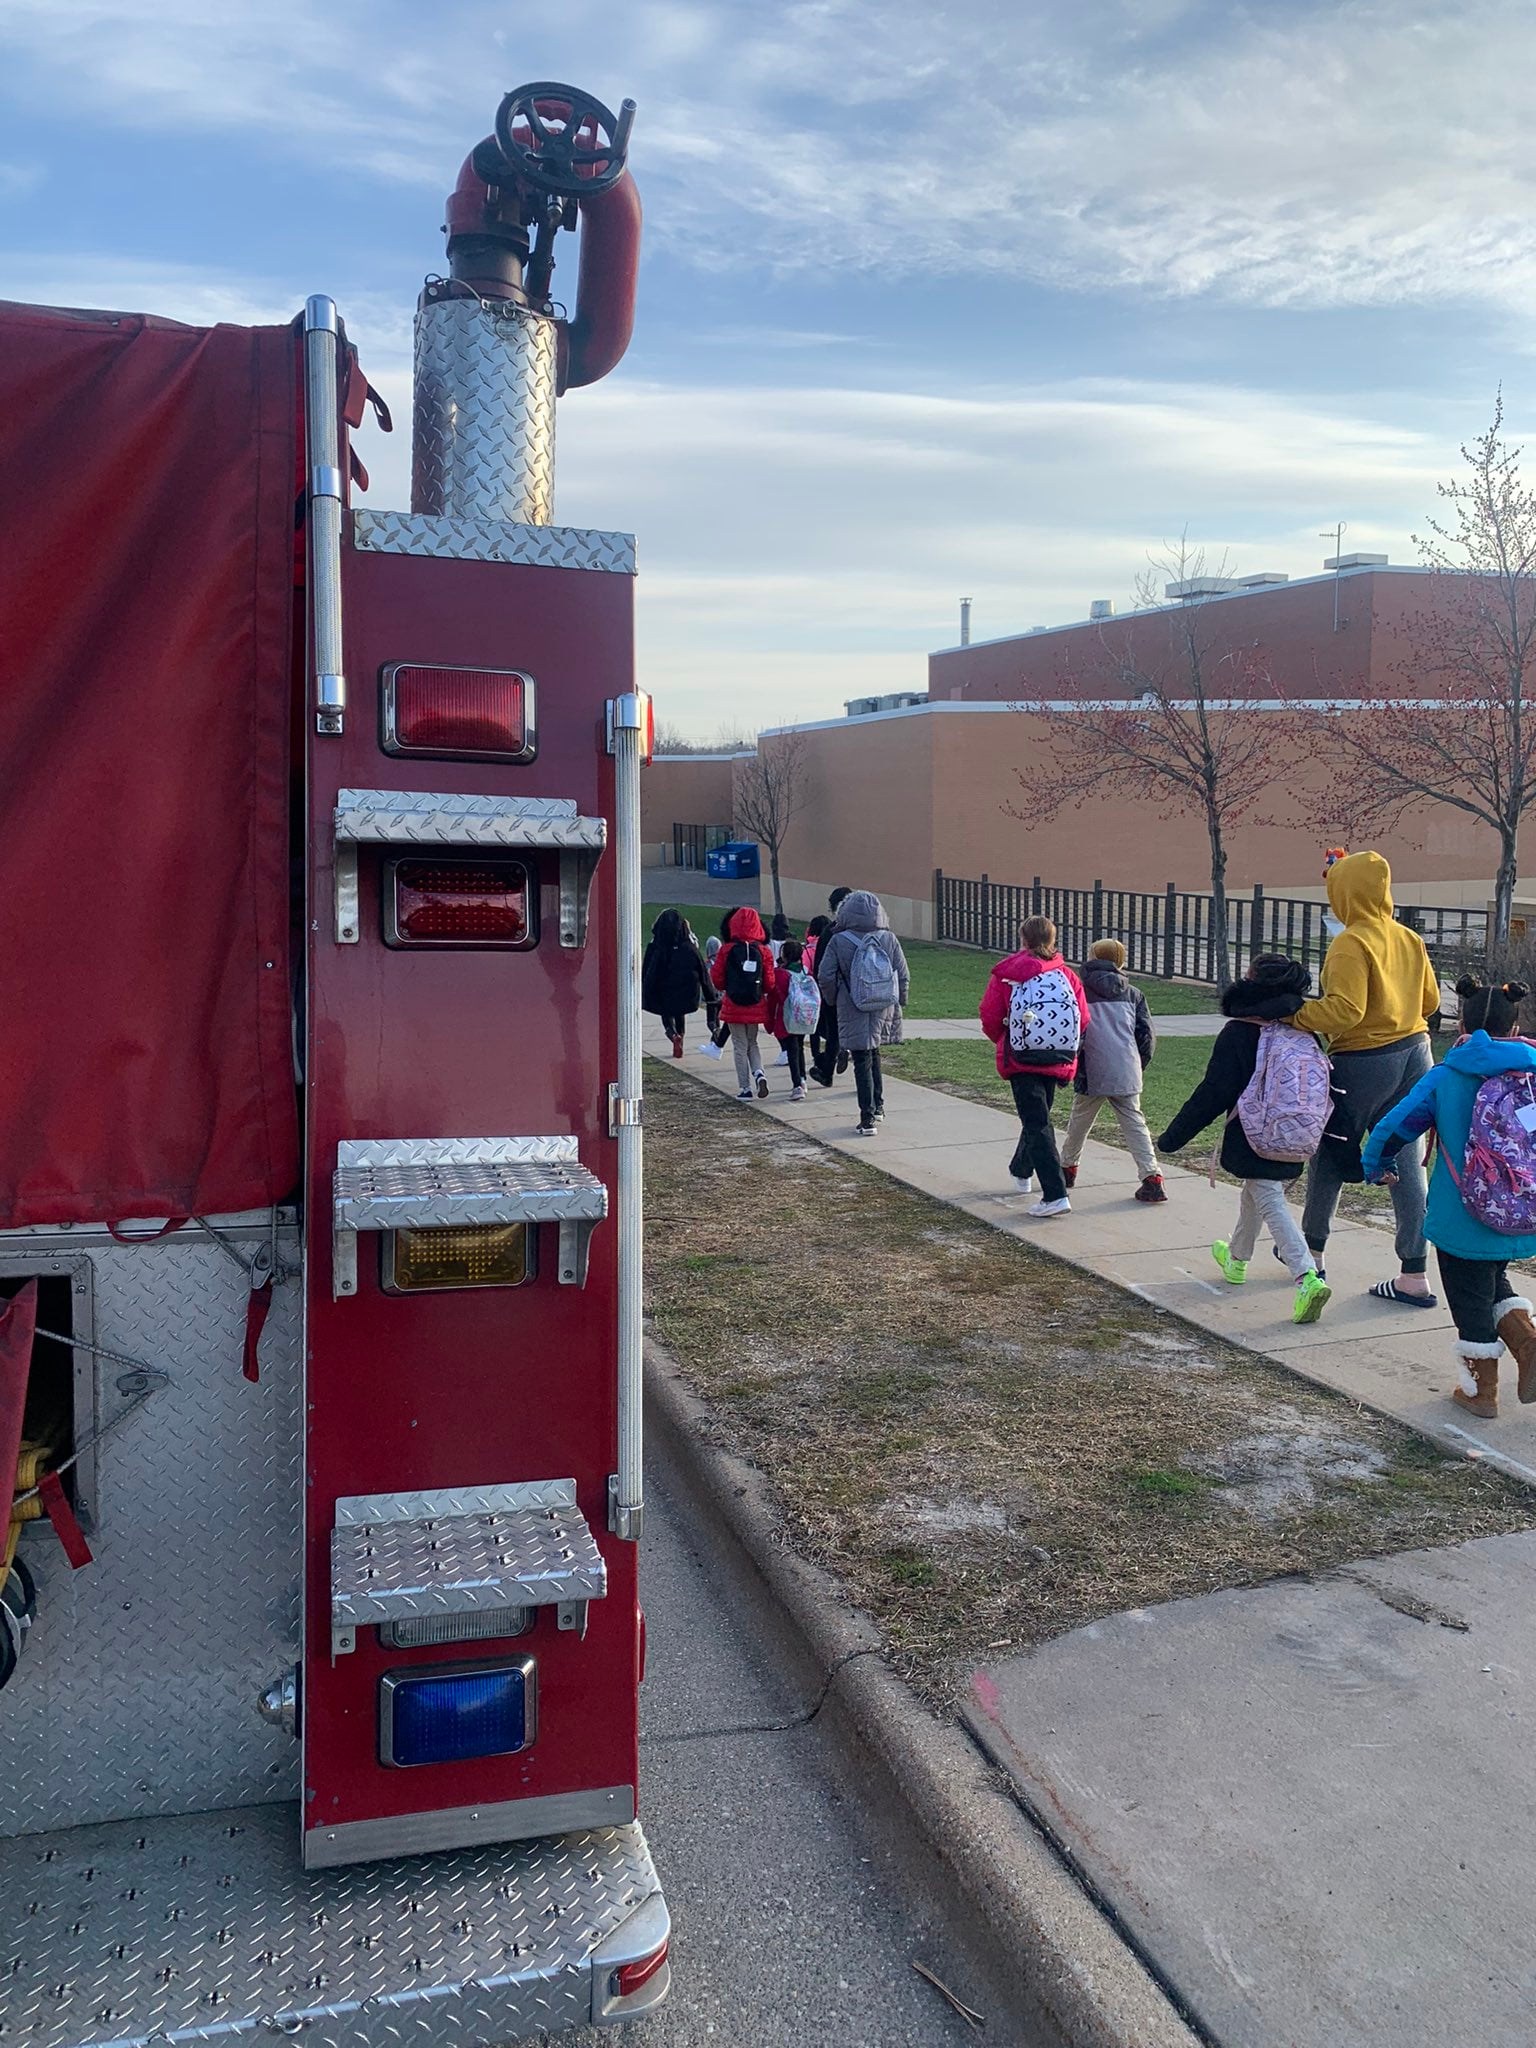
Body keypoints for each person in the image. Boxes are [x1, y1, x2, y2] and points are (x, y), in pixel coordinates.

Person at [1362, 977, 1536, 1418]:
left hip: (1462, 1214)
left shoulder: (1448, 1075)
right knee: (1492, 1280)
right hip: (1520, 1209)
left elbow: (1393, 1127)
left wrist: (1376, 1166)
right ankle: (1529, 1344)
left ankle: (1481, 1393)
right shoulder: (1532, 1070)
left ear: (1462, 1019)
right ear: (1515, 1027)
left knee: (1468, 1296)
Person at [1288, 850, 1441, 1306]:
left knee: (1332, 1152)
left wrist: (1292, 1014)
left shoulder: (1351, 942)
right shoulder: (1408, 937)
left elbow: (1345, 1010)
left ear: (1345, 893)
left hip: (1364, 1060)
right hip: (1417, 1053)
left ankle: (1310, 1254)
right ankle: (1414, 1274)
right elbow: (1430, 1002)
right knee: (1408, 1162)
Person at [1156, 954, 1332, 1325]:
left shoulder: (1240, 1032)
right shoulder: (1304, 1030)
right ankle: (1236, 1259)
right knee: (1258, 1190)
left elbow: (1214, 1091)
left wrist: (1173, 1138)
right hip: (1298, 1134)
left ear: (1253, 983)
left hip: (1253, 1134)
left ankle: (1306, 1276)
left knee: (1267, 1196)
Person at [979, 914, 1090, 1218]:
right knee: (1038, 1118)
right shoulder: (1067, 975)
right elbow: (1083, 1018)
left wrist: (1004, 1038)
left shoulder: (1009, 974)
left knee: (1037, 1123)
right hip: (1057, 1055)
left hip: (1022, 1056)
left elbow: (990, 1015)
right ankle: (1021, 1169)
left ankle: (1055, 1194)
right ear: (1053, 940)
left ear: (1023, 939)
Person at [1060, 938, 1165, 1203]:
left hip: (1091, 1068)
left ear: (1093, 957)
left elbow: (1075, 1031)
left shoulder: (1079, 991)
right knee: (1135, 1123)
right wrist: (1138, 1064)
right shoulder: (1134, 994)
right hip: (1126, 1066)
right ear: (1120, 961)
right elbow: (1146, 1036)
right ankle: (1151, 1177)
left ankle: (1067, 1169)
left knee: (1080, 1121)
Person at [816, 889, 909, 1135]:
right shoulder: (888, 939)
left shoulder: (839, 940)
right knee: (874, 1051)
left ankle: (867, 1118)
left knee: (861, 1057)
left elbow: (825, 975)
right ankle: (878, 1106)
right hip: (883, 1002)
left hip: (852, 1002)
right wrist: (901, 999)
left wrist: (834, 998)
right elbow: (902, 972)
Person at [710, 905, 778, 1101]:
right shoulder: (763, 951)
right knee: (752, 1043)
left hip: (734, 1003)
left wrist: (729, 988)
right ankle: (759, 1073)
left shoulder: (727, 949)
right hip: (755, 1002)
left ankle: (745, 1088)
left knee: (739, 1045)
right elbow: (770, 982)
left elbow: (717, 978)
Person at [641, 908, 711, 1057]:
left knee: (666, 1014)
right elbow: (702, 971)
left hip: (664, 990)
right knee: (680, 1013)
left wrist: (645, 991)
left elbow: (648, 970)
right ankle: (681, 1036)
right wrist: (710, 994)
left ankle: (672, 1034)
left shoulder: (657, 947)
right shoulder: (689, 948)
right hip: (684, 992)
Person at [811, 887, 855, 1085]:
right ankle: (868, 1083)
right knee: (862, 1034)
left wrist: (825, 992)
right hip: (860, 990)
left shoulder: (830, 932)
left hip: (835, 991)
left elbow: (821, 965)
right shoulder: (863, 929)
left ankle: (827, 1070)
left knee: (833, 1031)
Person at [767, 938, 817, 1101]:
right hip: (803, 1016)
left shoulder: (780, 974)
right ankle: (802, 1079)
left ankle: (797, 1084)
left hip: (787, 1017)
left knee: (792, 1050)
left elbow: (773, 999)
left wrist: (769, 1021)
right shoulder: (805, 971)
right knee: (799, 1047)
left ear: (784, 955)